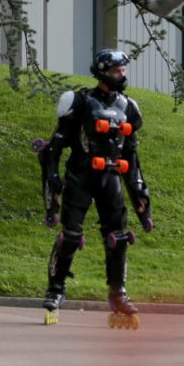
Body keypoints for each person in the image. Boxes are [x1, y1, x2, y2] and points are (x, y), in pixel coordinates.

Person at [35, 49, 153, 328]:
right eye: (116, 71)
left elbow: (131, 157)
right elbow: (52, 150)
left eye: (123, 70)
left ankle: (118, 293)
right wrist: (53, 192)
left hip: (111, 178)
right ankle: (55, 290)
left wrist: (141, 198)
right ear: (102, 73)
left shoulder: (129, 107)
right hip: (81, 176)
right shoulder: (79, 101)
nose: (122, 75)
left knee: (119, 237)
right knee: (71, 236)